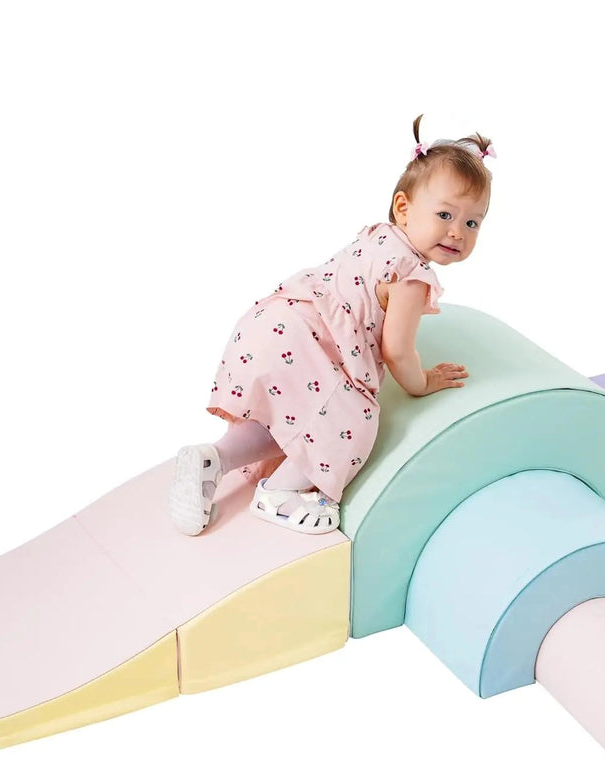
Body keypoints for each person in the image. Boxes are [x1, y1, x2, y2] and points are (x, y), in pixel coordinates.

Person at [169, 114, 494, 536]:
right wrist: (422, 382)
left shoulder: (379, 235)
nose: (457, 233)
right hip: (307, 342)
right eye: (446, 215)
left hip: (276, 322)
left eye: (472, 223)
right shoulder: (412, 276)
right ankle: (279, 494)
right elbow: (397, 350)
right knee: (351, 422)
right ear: (403, 207)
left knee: (295, 415)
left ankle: (214, 459)